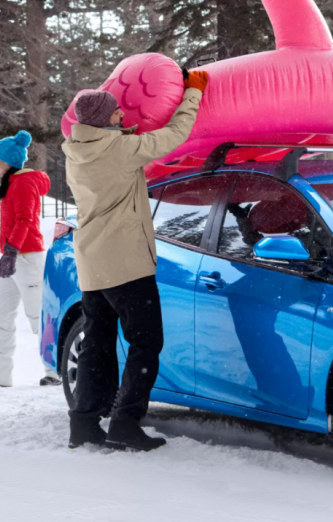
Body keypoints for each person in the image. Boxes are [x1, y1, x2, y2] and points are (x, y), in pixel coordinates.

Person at [62, 69, 208, 451]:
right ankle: (125, 422)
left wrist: (123, 131)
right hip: (126, 264)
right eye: (115, 114)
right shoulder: (121, 150)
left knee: (98, 345)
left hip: (93, 265)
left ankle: (84, 423)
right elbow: (175, 136)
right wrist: (192, 93)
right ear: (104, 120)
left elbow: (116, 151)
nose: (120, 117)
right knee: (146, 342)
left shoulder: (76, 151)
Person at [0, 130, 60, 388]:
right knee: (1, 317)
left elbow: (26, 220)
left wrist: (11, 252)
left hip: (28, 259)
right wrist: (7, 254)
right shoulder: (11, 184)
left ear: (9, 161)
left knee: (38, 317)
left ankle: (55, 372)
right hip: (12, 258)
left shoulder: (23, 183)